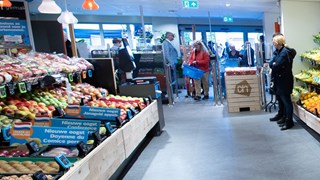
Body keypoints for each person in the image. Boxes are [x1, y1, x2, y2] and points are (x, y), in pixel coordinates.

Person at [269, 34, 296, 131]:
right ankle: (285, 118)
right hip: (281, 80)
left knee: (286, 101)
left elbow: (276, 65)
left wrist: (274, 64)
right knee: (282, 100)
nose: (273, 43)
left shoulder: (284, 53)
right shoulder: (279, 52)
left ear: (277, 43)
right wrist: (273, 63)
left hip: (284, 80)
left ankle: (289, 122)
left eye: (274, 42)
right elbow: (272, 63)